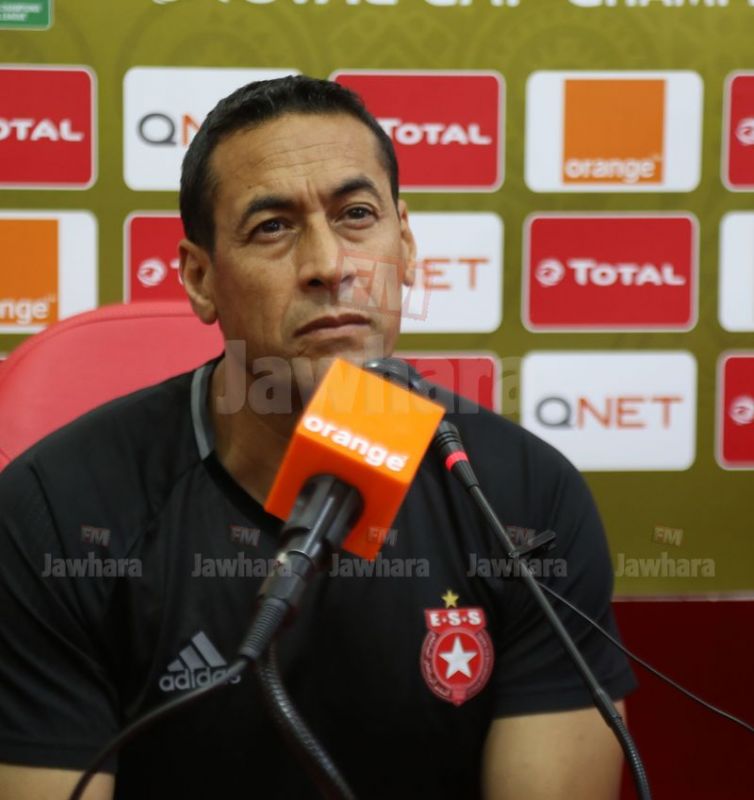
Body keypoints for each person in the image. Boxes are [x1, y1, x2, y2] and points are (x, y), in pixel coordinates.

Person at [0, 75, 635, 799]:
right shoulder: (56, 516)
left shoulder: (525, 502)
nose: (330, 266)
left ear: (405, 244)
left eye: (357, 215)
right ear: (200, 278)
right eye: (272, 227)